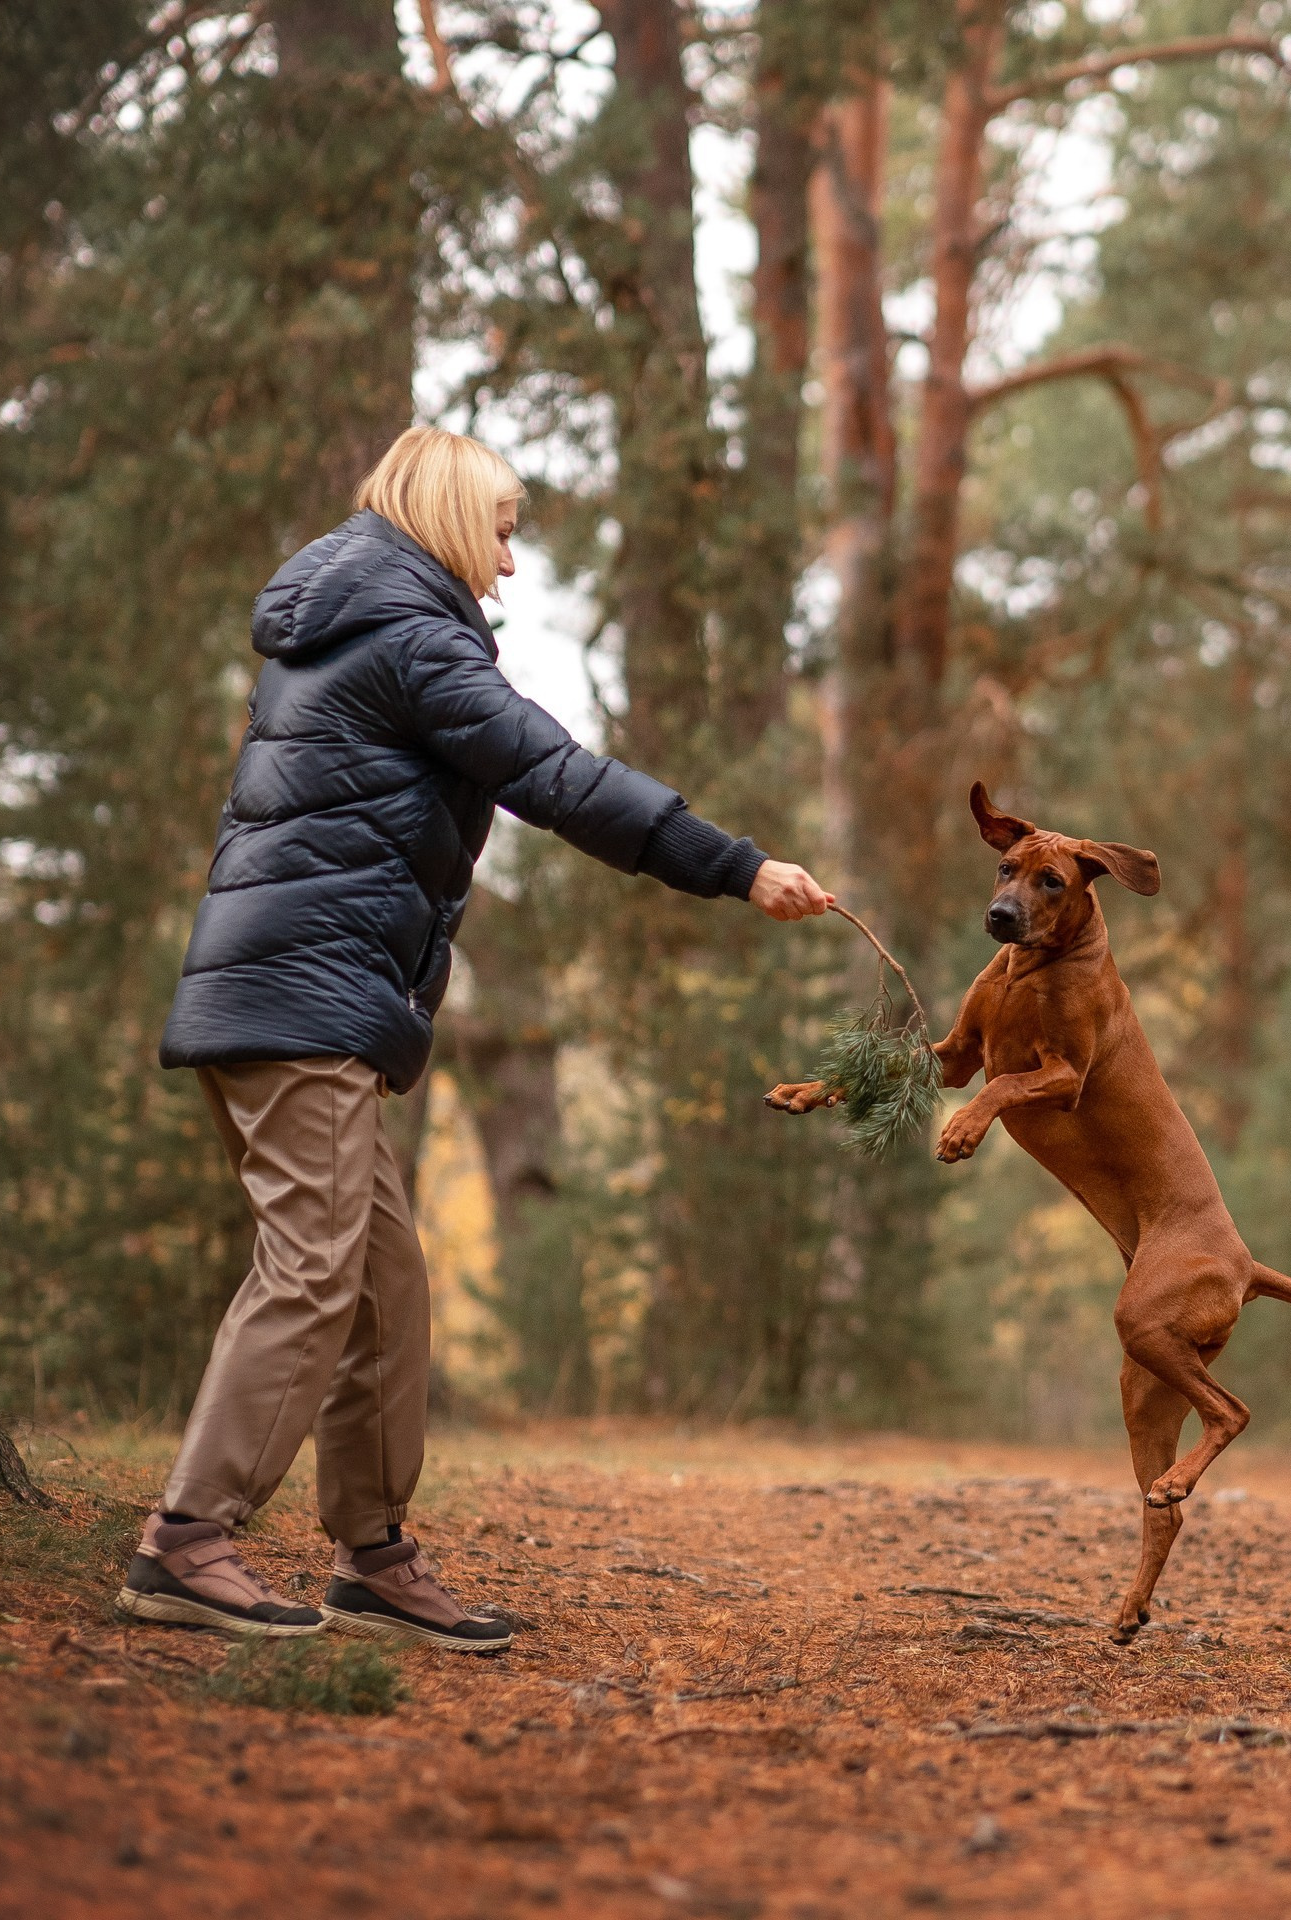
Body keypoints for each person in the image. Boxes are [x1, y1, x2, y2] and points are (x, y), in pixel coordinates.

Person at [116, 426, 832, 1651]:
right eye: (500, 531)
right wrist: (735, 865)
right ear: (449, 518)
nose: (508, 562)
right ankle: (188, 1538)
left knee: (382, 1286)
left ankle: (375, 1555)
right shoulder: (410, 637)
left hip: (302, 996)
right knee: (314, 1269)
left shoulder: (354, 621)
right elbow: (554, 773)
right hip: (303, 999)